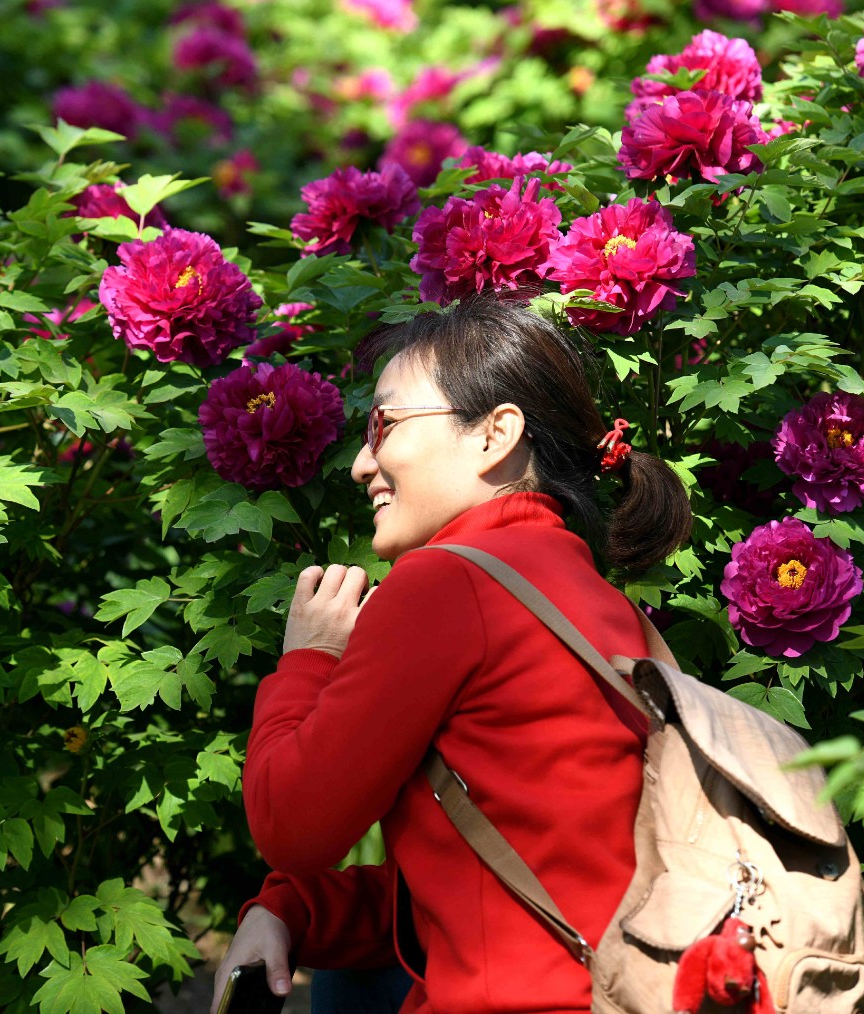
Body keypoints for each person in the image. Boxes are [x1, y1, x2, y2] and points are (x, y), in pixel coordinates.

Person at [209, 295, 693, 1014]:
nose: (361, 464)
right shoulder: (600, 605)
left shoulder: (445, 581)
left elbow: (294, 827)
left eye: (384, 424)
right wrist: (289, 911)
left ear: (495, 433)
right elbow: (496, 876)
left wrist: (309, 658)